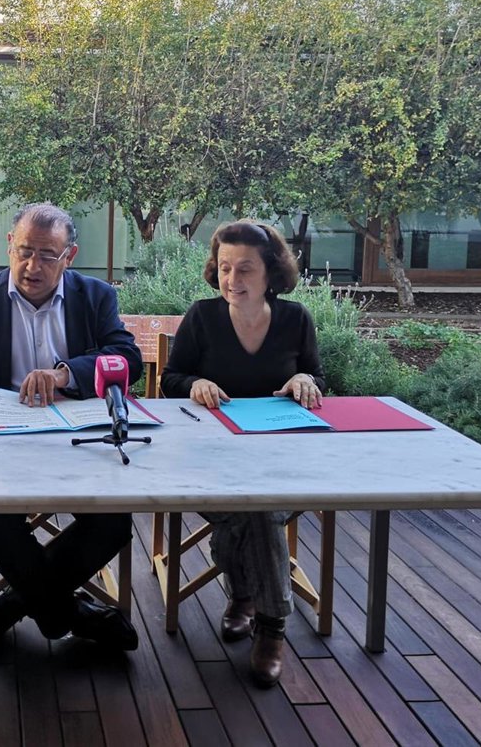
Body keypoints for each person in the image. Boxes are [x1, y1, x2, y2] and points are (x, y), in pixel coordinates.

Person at [0, 203, 143, 650]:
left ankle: (10, 605)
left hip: (77, 439)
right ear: (10, 246)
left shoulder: (95, 296)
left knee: (113, 523)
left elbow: (127, 358)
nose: (32, 266)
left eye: (47, 255)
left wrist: (65, 375)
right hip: (0, 444)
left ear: (69, 256)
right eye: (24, 251)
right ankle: (71, 615)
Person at [159, 220, 325, 688]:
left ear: (271, 272)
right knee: (259, 510)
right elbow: (172, 379)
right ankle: (269, 621)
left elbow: (317, 379)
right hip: (209, 463)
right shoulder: (202, 316)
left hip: (282, 462)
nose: (232, 279)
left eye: (245, 269)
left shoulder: (295, 319)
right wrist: (196, 383)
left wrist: (304, 380)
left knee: (260, 506)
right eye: (225, 267)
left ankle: (250, 605)